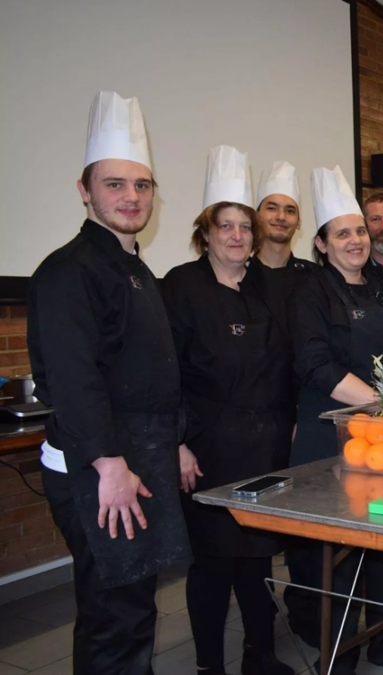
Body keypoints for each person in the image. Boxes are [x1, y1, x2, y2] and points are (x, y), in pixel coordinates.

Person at [27, 91, 191, 675]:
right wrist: (107, 465)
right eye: (115, 184)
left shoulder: (134, 267)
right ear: (85, 190)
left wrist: (174, 440)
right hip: (100, 465)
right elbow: (74, 381)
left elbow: (147, 372)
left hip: (138, 452)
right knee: (113, 609)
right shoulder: (69, 270)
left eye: (141, 185)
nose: (131, 197)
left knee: (133, 600)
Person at [162, 145, 294, 675]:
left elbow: (284, 367)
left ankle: (259, 655)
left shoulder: (267, 288)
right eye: (225, 226)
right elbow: (163, 374)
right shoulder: (179, 287)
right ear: (206, 233)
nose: (237, 235)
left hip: (264, 446)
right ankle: (209, 666)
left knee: (258, 557)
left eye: (244, 225)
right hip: (209, 447)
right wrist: (177, 443)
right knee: (214, 563)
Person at [287, 166, 383, 675]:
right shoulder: (311, 294)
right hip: (334, 437)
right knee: (338, 555)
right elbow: (316, 365)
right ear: (321, 244)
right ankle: (338, 653)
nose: (356, 240)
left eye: (360, 230)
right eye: (342, 233)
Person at [253, 160, 315, 294]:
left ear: (298, 222)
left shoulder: (315, 278)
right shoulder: (239, 275)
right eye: (272, 208)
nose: (281, 216)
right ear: (256, 217)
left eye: (290, 211)